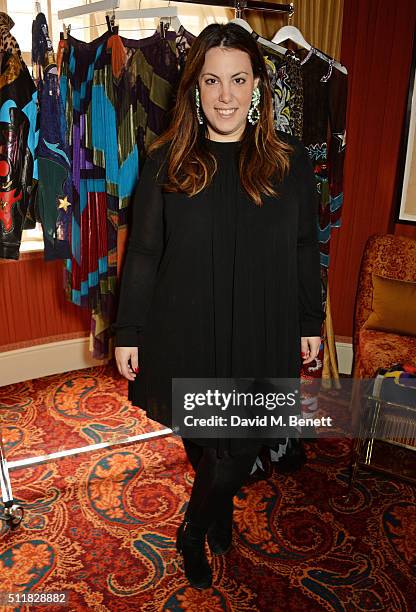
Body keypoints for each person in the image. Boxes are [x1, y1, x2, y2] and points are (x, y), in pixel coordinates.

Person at [113, 22, 324, 590]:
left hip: (261, 324)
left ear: (257, 85)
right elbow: (144, 253)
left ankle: (192, 525)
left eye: (237, 79)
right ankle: (217, 508)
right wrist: (128, 329)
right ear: (195, 88)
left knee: (243, 441)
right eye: (212, 80)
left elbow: (307, 245)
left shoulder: (289, 163)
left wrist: (311, 318)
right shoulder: (166, 162)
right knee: (206, 441)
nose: (225, 95)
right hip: (185, 326)